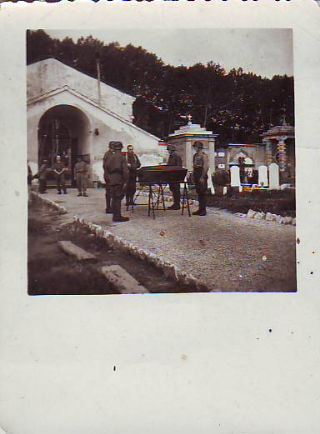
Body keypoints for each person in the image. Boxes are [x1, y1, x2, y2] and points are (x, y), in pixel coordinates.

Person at [104, 141, 129, 222]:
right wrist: (126, 181)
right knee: (118, 198)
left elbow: (105, 167)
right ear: (121, 148)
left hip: (111, 179)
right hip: (119, 178)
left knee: (114, 198)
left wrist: (108, 177)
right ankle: (117, 217)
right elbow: (125, 170)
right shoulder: (122, 157)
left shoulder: (110, 156)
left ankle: (115, 216)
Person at [192, 141, 209, 216]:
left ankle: (203, 210)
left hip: (201, 173)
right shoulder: (195, 155)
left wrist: (202, 176)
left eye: (196, 147)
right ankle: (200, 209)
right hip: (196, 173)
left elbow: (205, 167)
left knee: (202, 193)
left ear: (199, 147)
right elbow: (194, 166)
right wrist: (193, 175)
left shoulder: (203, 156)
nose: (195, 148)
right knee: (199, 192)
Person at [166, 144, 182, 210]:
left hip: (176, 177)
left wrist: (172, 170)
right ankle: (175, 204)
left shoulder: (177, 156)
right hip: (171, 176)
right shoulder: (170, 156)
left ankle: (177, 204)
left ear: (172, 150)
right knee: (173, 189)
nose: (168, 151)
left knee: (176, 190)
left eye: (169, 150)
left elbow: (178, 167)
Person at [103, 141, 115, 213]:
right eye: (112, 146)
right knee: (109, 192)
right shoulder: (108, 154)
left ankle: (111, 207)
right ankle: (108, 207)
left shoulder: (111, 153)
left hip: (110, 175)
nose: (113, 147)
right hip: (109, 175)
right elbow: (106, 166)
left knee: (112, 192)